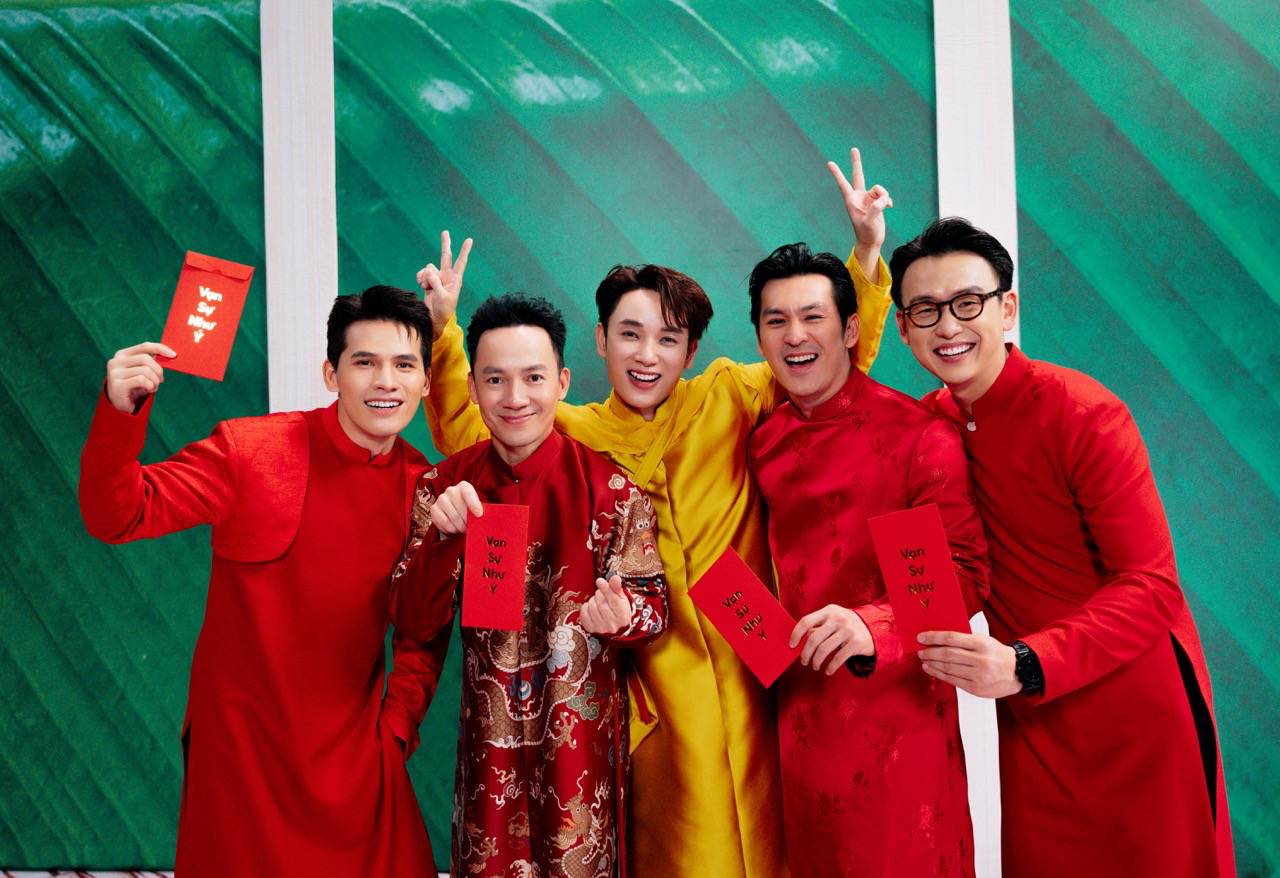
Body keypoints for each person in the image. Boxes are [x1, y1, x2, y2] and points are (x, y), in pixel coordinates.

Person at [415, 149, 893, 876]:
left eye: (669, 339)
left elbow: (826, 368)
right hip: (648, 675)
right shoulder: (570, 429)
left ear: (692, 349)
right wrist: (446, 331)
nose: (648, 355)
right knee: (683, 841)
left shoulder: (730, 393)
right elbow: (472, 428)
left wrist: (865, 255)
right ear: (600, 341)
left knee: (782, 835)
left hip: (755, 652)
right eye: (630, 335)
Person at [893, 217, 1235, 877]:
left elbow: (1152, 585)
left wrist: (1026, 663)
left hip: (1134, 707)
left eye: (968, 303)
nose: (948, 325)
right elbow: (929, 585)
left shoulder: (1083, 412)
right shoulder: (924, 429)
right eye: (926, 310)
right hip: (1037, 723)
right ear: (904, 329)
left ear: (1007, 308)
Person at [78, 285, 447, 876]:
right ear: (331, 374)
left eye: (404, 365)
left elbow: (422, 633)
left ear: (426, 382)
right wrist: (119, 411)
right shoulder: (249, 449)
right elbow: (117, 515)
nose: (386, 382)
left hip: (354, 763)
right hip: (241, 763)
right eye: (364, 362)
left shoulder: (424, 489)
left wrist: (396, 730)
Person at [390, 293, 668, 877]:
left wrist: (623, 617)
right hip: (487, 761)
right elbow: (412, 621)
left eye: (533, 377)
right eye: (495, 379)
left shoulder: (613, 492)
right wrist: (442, 540)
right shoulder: (443, 488)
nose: (515, 397)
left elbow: (654, 609)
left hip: (580, 759)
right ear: (472, 388)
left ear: (562, 383)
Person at [746, 242, 988, 877]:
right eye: (776, 320)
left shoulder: (914, 438)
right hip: (797, 728)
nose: (795, 336)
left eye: (813, 317)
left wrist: (869, 624)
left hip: (898, 730)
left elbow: (961, 578)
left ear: (851, 329)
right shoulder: (763, 442)